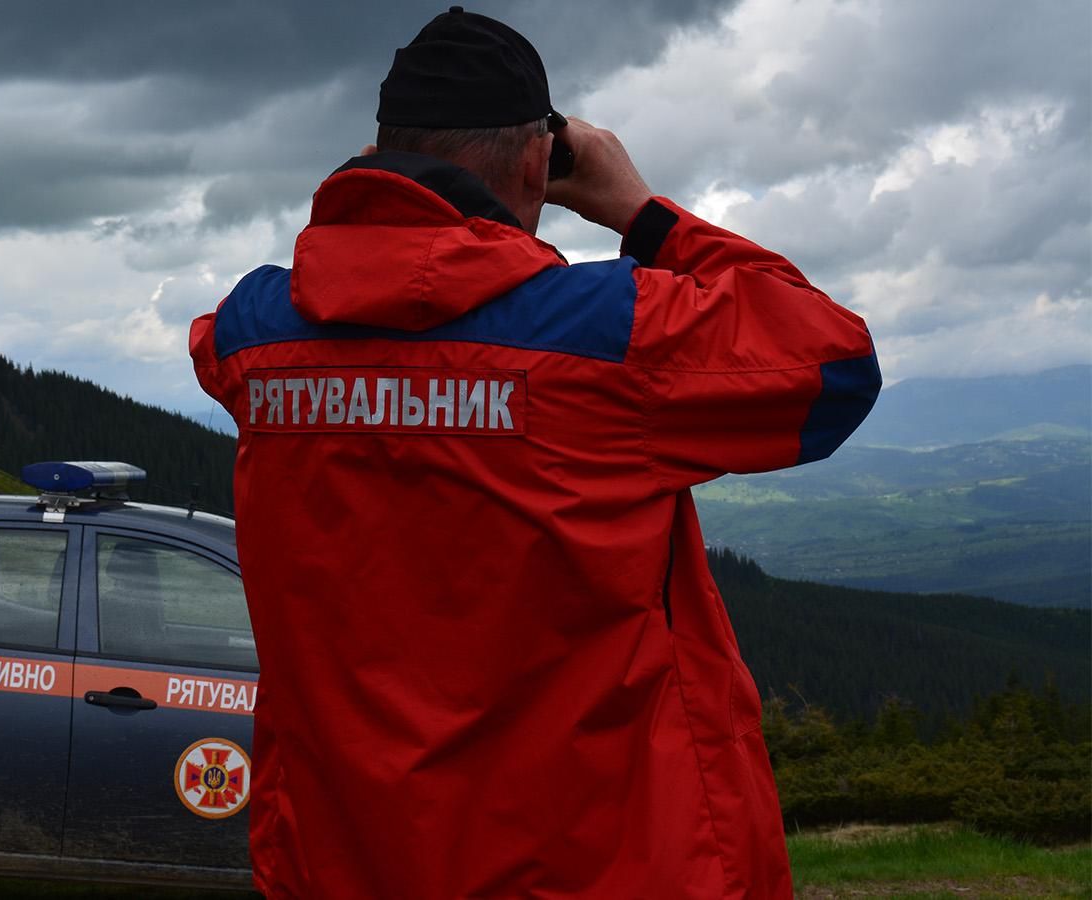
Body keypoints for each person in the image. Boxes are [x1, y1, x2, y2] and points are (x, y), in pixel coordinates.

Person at [190, 7, 879, 898]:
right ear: (535, 163)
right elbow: (835, 360)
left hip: (344, 860)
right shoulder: (601, 339)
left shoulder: (256, 340)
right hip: (592, 867)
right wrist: (640, 210)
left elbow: (235, 340)